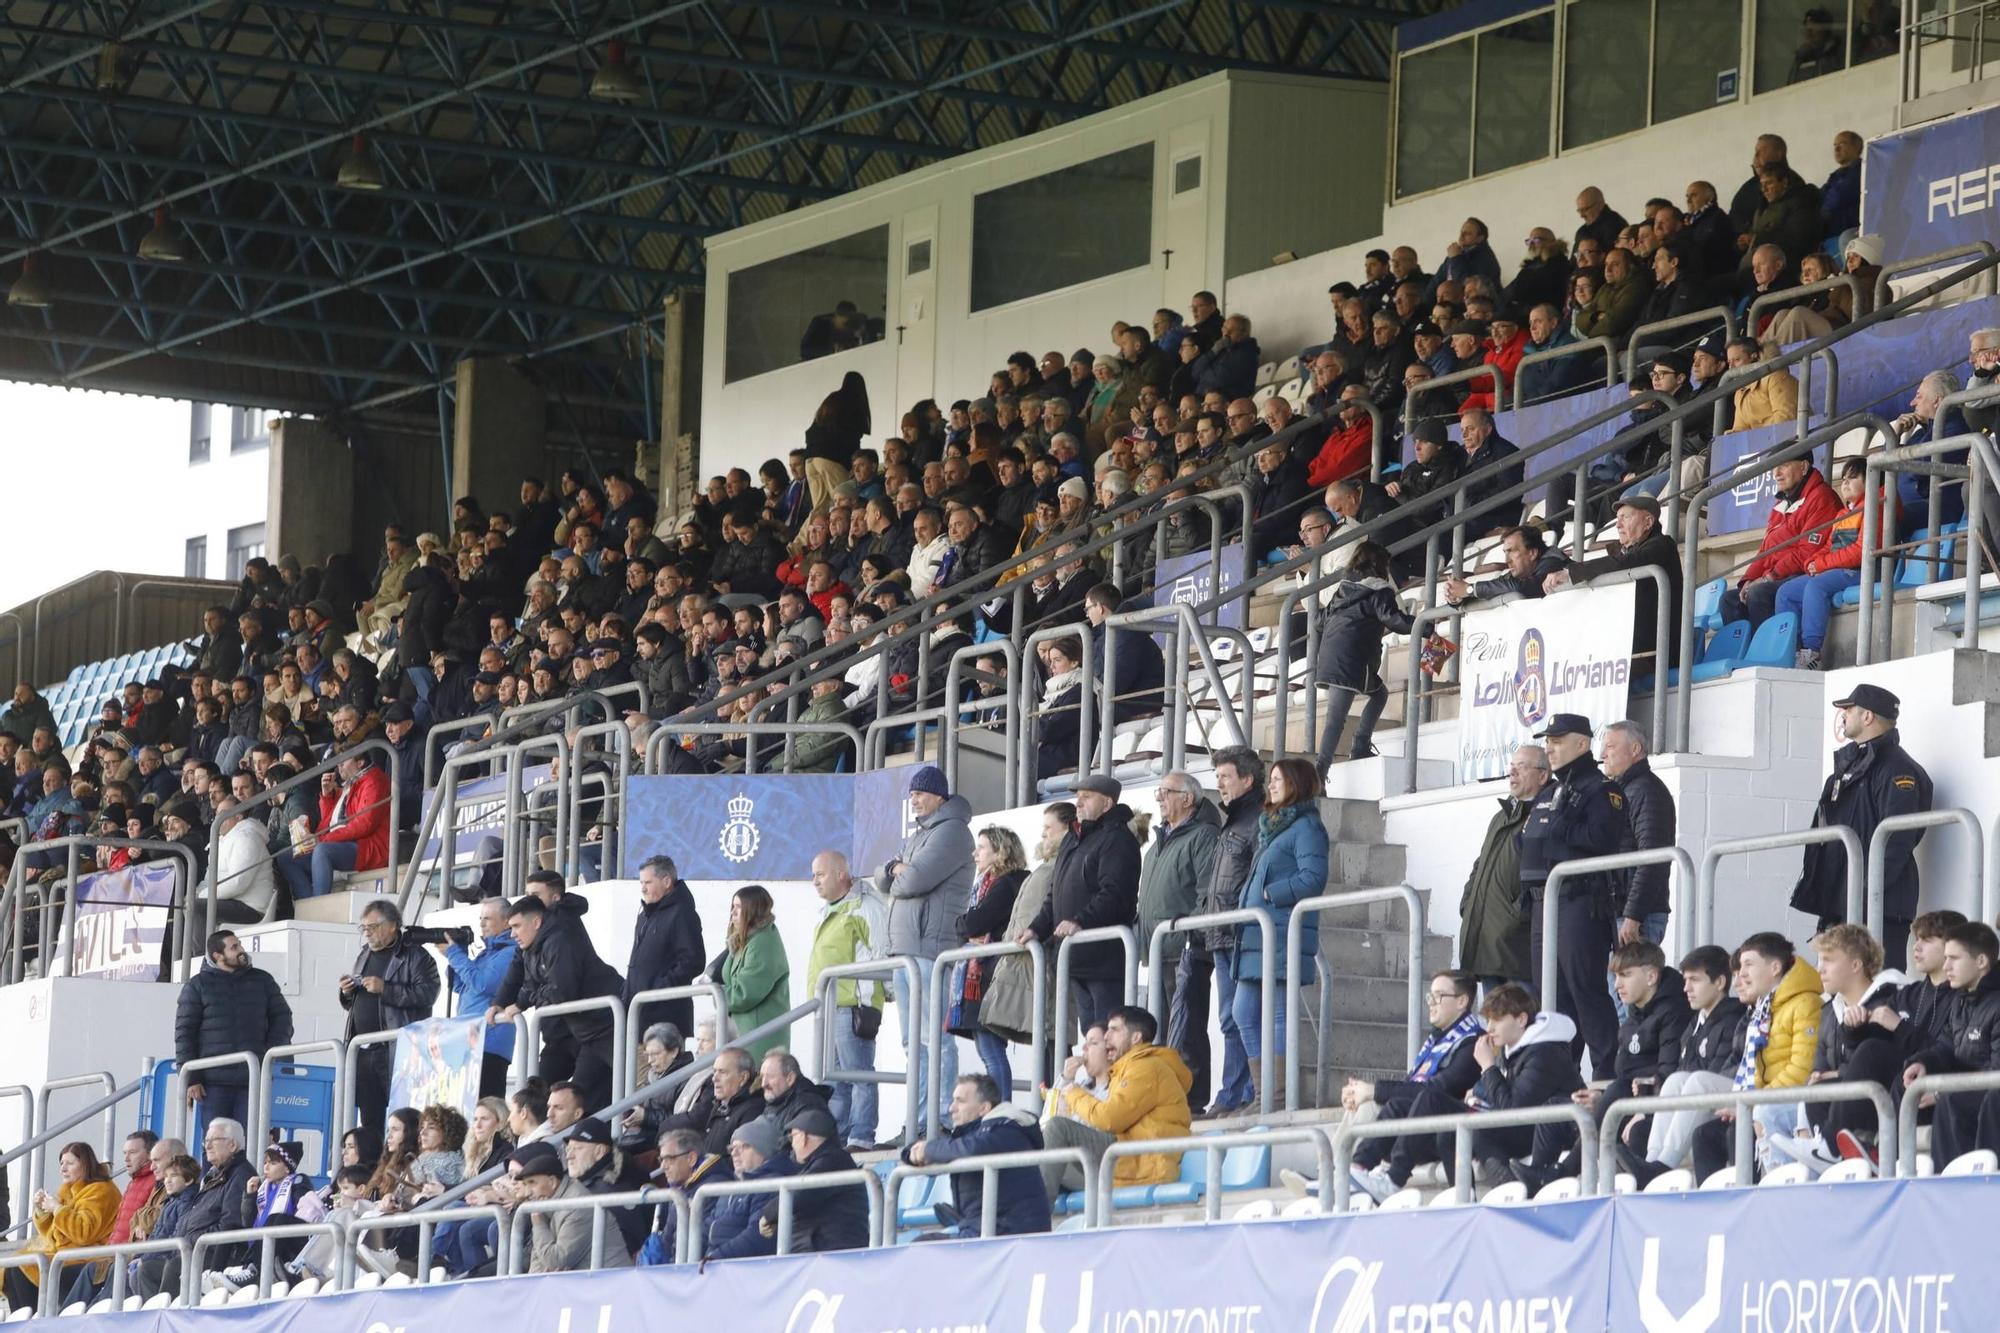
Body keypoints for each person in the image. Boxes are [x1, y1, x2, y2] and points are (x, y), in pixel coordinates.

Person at [1789, 683, 1933, 969]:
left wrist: (1864, 893)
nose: (1843, 715)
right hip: (1843, 901)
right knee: (1838, 996)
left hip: (1878, 905)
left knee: (1875, 990)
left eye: (1849, 709)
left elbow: (1896, 842)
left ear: (1868, 717)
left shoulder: (1897, 768)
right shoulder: (1850, 767)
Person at [1310, 972, 1485, 1200]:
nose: (1431, 1004)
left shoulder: (1473, 1042)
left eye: (1438, 997)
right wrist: (1365, 1092)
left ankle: (1356, 1176)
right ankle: (1349, 1171)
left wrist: (1373, 1090)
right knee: (1373, 1102)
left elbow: (1436, 1092)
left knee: (1375, 1101)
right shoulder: (1437, 1040)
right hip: (1417, 1127)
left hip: (1444, 1135)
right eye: (1429, 997)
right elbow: (1413, 1088)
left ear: (1462, 1001)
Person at [1516, 714, 1626, 1075]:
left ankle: (1606, 1076)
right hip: (1543, 904)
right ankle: (1559, 1076)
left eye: (1558, 740)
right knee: (1550, 997)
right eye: (1548, 740)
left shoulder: (1600, 789)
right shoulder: (1552, 790)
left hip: (1580, 901)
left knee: (1586, 991)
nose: (1550, 746)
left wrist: (1563, 824)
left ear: (1582, 744)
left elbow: (1603, 840)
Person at [877, 765, 972, 1131]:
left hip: (930, 949)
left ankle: (942, 1119)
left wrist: (901, 871)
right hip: (907, 951)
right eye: (912, 794)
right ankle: (916, 1123)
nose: (913, 800)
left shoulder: (952, 832)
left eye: (919, 794)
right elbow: (883, 878)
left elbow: (912, 880)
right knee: (912, 1042)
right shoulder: (920, 835)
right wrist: (895, 869)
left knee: (935, 1040)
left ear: (939, 796)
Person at [1231, 757, 1329, 1107]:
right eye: (1270, 779)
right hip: (1257, 936)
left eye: (1277, 780)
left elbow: (1313, 878)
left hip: (1281, 933)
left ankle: (1277, 1096)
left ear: (1296, 784)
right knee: (1242, 1012)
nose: (1270, 785)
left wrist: (1273, 894)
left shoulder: (1307, 827)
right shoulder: (1273, 826)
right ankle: (1264, 1094)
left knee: (1275, 1015)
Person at [1690, 933, 1822, 1180]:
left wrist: (1750, 1103)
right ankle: (1715, 1211)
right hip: (1761, 1100)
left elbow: (1800, 1071)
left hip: (1783, 1104)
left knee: (1737, 1132)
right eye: (1740, 967)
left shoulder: (1805, 1002)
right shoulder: (1763, 1007)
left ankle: (1753, 1200)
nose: (1741, 974)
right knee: (1703, 1135)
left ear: (1775, 967)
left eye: (1749, 965)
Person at [1021, 774, 1140, 1037]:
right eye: (1078, 796)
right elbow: (1056, 893)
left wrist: (1080, 920)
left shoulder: (1117, 839)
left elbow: (1115, 894)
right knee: (1091, 1037)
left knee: (1110, 1037)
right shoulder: (1073, 839)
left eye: (1086, 797)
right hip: (1075, 957)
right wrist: (1037, 928)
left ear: (1107, 803)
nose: (1078, 802)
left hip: (1103, 958)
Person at [1178, 748, 1262, 1116]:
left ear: (1248, 780)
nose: (1220, 785)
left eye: (1226, 777)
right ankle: (1231, 1093)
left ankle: (1241, 1093)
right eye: (1217, 777)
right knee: (1229, 1018)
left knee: (1240, 1017)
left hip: (1242, 933)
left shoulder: (1257, 820)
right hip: (1222, 933)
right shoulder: (1234, 821)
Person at [1037, 1006, 1192, 1202]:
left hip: (1142, 1165)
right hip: (1126, 1159)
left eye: (1114, 1030)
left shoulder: (1146, 1068)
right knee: (1035, 1148)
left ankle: (1037, 1219)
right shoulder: (1127, 1068)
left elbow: (1108, 1120)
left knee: (1058, 1128)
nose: (1107, 1036)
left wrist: (1074, 1094)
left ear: (1136, 1038)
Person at [490, 891, 625, 1112]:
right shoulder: (531, 948)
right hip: (585, 1029)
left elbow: (562, 991)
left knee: (601, 1094)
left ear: (536, 922)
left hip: (606, 1024)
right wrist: (505, 1003)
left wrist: (524, 1003)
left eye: (516, 926)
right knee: (539, 1093)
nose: (512, 934)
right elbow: (532, 985)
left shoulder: (559, 940)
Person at [900, 1073, 1050, 1238]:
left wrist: (928, 1150)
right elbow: (912, 1151)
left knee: (923, 1248)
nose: (951, 1108)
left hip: (1008, 1237)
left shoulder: (1006, 1130)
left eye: (960, 1101)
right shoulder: (973, 1134)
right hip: (986, 1231)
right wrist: (914, 1153)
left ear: (984, 1108)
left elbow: (973, 1149)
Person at [174, 929, 294, 1133]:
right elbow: (185, 1033)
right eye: (234, 947)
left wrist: (268, 1054)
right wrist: (191, 1078)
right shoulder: (197, 986)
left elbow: (282, 1018)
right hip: (213, 1084)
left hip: (254, 1079)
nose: (241, 950)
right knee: (215, 1144)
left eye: (239, 945)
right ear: (217, 956)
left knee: (250, 1141)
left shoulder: (262, 980)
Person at [1901, 922, 2000, 1168]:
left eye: (1954, 958)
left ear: (1981, 962)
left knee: (1954, 1101)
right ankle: (1889, 1157)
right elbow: (1946, 1046)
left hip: (1986, 1095)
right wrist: (1922, 1063)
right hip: (1967, 1091)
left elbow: (1995, 1073)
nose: (1946, 967)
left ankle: (1967, 1181)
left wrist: (1942, 1091)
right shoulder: (1961, 1001)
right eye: (1945, 958)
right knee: (1905, 1082)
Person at [339, 900, 439, 1141]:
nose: (367, 933)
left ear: (393, 925)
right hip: (363, 1049)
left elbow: (428, 993)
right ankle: (373, 1169)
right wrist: (346, 993)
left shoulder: (416, 955)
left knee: (402, 1116)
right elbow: (354, 1005)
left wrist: (386, 988)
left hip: (397, 1049)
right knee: (369, 1119)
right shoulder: (364, 954)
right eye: (363, 928)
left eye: (372, 926)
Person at [1311, 541, 1414, 771]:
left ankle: (1359, 746)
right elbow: (1393, 619)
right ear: (1380, 565)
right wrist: (1424, 626)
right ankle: (1321, 770)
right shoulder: (1378, 590)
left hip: (1330, 657)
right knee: (1336, 719)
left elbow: (1318, 621)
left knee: (1379, 694)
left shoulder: (1344, 590)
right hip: (1351, 659)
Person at [808, 850, 886, 1151]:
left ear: (841, 874)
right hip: (828, 1005)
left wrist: (877, 998)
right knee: (834, 1081)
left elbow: (882, 952)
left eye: (820, 874)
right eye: (813, 874)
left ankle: (861, 1137)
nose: (814, 881)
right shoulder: (829, 910)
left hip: (854, 1006)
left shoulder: (865, 907)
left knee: (858, 1074)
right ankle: (838, 1139)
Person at [1774, 457, 1873, 672]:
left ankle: (1812, 653)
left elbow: (1860, 552)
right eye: (1844, 478)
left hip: (1863, 572)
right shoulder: (1842, 514)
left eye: (1853, 478)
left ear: (1872, 480)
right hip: (1838, 570)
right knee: (1786, 592)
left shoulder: (1874, 507)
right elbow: (1828, 545)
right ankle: (1791, 650)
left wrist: (1822, 565)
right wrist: (1812, 561)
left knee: (1816, 586)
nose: (1845, 483)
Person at [1721, 457, 1841, 630]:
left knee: (1758, 593)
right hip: (1780, 575)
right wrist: (1747, 580)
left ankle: (1771, 652)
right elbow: (1765, 551)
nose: (1776, 473)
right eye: (1774, 468)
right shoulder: (1781, 504)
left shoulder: (1822, 497)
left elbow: (1807, 553)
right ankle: (1745, 654)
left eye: (1783, 465)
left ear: (1804, 466)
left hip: (1805, 572)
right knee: (1729, 600)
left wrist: (1768, 577)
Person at [955, 827, 1030, 1103]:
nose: (975, 853)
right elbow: (968, 922)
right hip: (988, 975)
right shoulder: (990, 884)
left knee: (991, 1051)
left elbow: (972, 922)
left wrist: (964, 925)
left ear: (1000, 852)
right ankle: (1000, 1112)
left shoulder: (1005, 883)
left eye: (982, 847)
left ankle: (1000, 1114)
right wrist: (964, 925)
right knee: (990, 1050)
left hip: (991, 977)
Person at [1456, 747, 1538, 992]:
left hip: (1518, 946)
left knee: (1525, 1022)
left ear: (1543, 775)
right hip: (1487, 942)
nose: (1512, 771)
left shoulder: (1545, 814)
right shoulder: (1500, 817)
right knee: (1495, 1024)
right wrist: (1468, 902)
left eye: (1522, 766)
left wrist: (1519, 914)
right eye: (1511, 764)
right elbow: (1480, 864)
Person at [2, 1142, 120, 1310]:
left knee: (23, 1270)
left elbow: (84, 1232)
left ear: (85, 1165)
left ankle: (36, 1324)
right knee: (13, 1268)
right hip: (66, 1256)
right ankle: (25, 1323)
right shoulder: (67, 1190)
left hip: (89, 1258)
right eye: (61, 1163)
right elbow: (54, 1235)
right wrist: (42, 1211)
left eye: (70, 1163)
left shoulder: (101, 1191)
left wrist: (57, 1209)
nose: (63, 1168)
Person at [1600, 721, 1674, 951]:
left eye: (1610, 747)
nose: (1603, 754)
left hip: (1637, 919)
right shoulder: (1624, 791)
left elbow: (1652, 858)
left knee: (1625, 987)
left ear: (1635, 750)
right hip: (1623, 914)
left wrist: (1633, 916)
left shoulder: (1646, 791)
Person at [751, 1108, 868, 1253]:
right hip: (820, 1253)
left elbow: (799, 1193)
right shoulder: (825, 1161)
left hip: (831, 1256)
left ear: (804, 1137)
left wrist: (768, 1214)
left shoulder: (832, 1160)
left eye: (792, 1137)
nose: (792, 1145)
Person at [512, 1140, 634, 1273]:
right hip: (583, 1285)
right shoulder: (546, 1202)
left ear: (552, 1182)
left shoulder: (577, 1205)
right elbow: (538, 1258)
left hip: (610, 1284)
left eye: (532, 1183)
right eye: (525, 1184)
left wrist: (539, 1225)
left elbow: (556, 1260)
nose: (528, 1191)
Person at [438, 897, 518, 1099]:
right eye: (480, 918)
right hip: (469, 1041)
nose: (481, 924)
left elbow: (482, 983)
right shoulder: (487, 954)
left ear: (506, 921)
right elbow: (460, 986)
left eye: (488, 919)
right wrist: (457, 953)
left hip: (490, 1043)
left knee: (487, 1108)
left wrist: (455, 955)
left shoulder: (510, 952)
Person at [623, 854, 706, 1038]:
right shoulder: (645, 914)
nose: (643, 888)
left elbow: (693, 961)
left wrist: (658, 990)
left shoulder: (682, 913)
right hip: (639, 1015)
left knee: (666, 1068)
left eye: (648, 882)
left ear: (667, 881)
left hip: (666, 1017)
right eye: (641, 883)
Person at [636, 1126, 731, 1266]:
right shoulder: (680, 1187)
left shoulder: (713, 1187)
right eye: (661, 1159)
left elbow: (700, 1240)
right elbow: (668, 1239)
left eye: (669, 1159)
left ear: (691, 1158)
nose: (663, 1166)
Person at [718, 885, 792, 1062]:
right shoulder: (745, 941)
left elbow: (744, 994)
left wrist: (717, 994)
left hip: (758, 1038)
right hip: (744, 1033)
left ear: (753, 909)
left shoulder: (762, 942)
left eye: (739, 907)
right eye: (732, 907)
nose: (733, 913)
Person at [703, 1119, 793, 1260]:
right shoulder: (731, 1188)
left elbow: (756, 1237)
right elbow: (706, 1228)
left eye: (744, 1146)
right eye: (732, 1148)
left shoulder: (770, 1185)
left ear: (764, 1150)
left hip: (742, 1270)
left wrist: (716, 1258)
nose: (734, 1153)